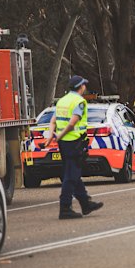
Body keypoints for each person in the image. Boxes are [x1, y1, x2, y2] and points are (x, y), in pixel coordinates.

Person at [44, 75, 103, 219]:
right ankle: (65, 208)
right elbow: (72, 123)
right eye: (84, 86)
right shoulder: (80, 102)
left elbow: (53, 121)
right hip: (74, 142)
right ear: (81, 87)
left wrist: (52, 136)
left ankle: (85, 203)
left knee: (73, 173)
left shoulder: (62, 101)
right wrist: (60, 135)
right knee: (70, 176)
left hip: (64, 144)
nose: (85, 88)